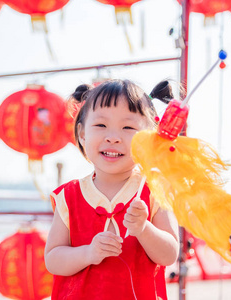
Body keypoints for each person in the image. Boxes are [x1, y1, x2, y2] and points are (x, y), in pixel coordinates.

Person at [44, 79, 179, 300]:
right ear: (82, 133)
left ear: (148, 138)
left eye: (128, 127)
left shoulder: (154, 190)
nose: (113, 137)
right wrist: (88, 253)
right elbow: (53, 259)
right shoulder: (69, 196)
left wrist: (143, 228)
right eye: (100, 125)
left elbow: (169, 254)